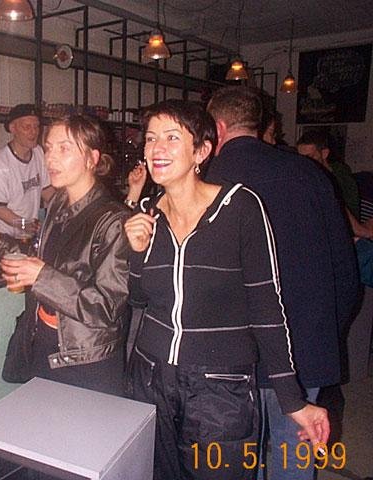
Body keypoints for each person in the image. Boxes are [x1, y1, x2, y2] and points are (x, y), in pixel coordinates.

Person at [124, 99, 330, 480]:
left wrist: (291, 399)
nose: (157, 148)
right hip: (151, 379)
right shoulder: (148, 212)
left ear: (201, 151)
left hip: (220, 389)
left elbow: (267, 309)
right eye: (151, 138)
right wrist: (136, 254)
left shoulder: (239, 207)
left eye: (171, 137)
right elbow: (138, 298)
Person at [206, 86, 358, 480]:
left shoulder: (208, 179)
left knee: (243, 458)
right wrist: (327, 332)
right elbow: (345, 269)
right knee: (294, 457)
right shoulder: (309, 173)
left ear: (217, 127)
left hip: (233, 353)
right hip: (305, 345)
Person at [0, 114, 131, 395]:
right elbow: (43, 262)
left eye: (64, 148)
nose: (50, 158)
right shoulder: (58, 203)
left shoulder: (113, 220)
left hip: (85, 359)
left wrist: (42, 277)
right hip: (46, 343)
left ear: (92, 158)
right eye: (48, 149)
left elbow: (107, 307)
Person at [0, 103, 55, 235]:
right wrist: (24, 224)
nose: (34, 132)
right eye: (27, 127)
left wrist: (66, 205)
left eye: (36, 126)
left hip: (23, 233)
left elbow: (46, 190)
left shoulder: (38, 153)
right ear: (13, 128)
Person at [296, 129, 373, 239]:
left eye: (310, 157)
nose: (304, 163)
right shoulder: (301, 176)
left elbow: (349, 217)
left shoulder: (341, 177)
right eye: (301, 158)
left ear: (324, 153)